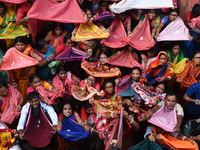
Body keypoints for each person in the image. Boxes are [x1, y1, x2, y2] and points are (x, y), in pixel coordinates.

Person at [0, 36, 41, 101]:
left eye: (22, 45)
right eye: (17, 45)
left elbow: (32, 53)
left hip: (30, 78)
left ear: (25, 45)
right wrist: (1, 61)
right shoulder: (12, 50)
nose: (19, 47)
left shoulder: (28, 49)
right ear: (15, 45)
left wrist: (37, 56)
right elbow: (5, 57)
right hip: (19, 78)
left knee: (32, 94)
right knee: (22, 95)